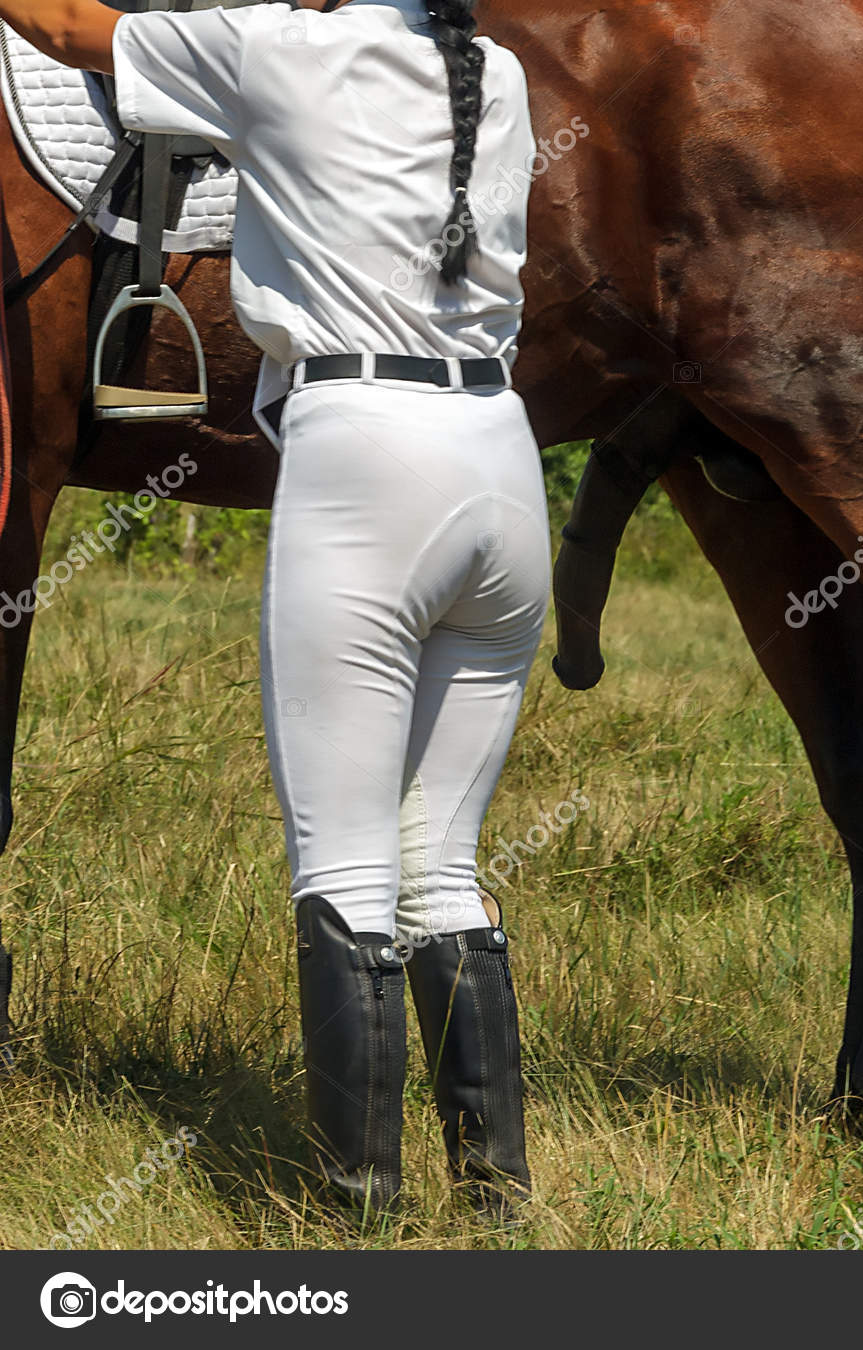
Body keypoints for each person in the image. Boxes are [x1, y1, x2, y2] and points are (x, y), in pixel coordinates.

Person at [0, 0, 550, 1220]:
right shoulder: (499, 74)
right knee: (444, 864)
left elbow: (74, 31)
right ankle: (496, 1196)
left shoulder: (279, 49)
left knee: (343, 866)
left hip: (366, 459)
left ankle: (357, 1210)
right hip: (501, 468)